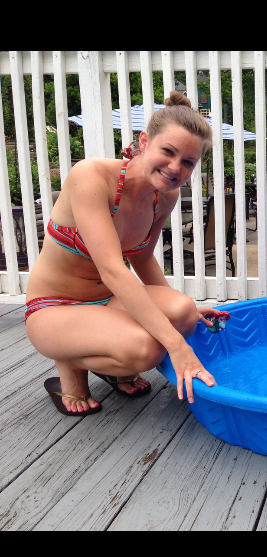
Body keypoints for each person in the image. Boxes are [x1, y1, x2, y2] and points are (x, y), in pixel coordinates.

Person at [25, 92, 228, 415]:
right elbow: (112, 270)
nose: (175, 167)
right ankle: (70, 364)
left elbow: (142, 257)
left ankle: (113, 365)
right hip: (55, 307)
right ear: (144, 141)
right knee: (146, 350)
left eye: (188, 162)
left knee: (184, 313)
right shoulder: (91, 176)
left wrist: (179, 312)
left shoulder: (165, 196)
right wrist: (176, 344)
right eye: (168, 151)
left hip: (108, 300)